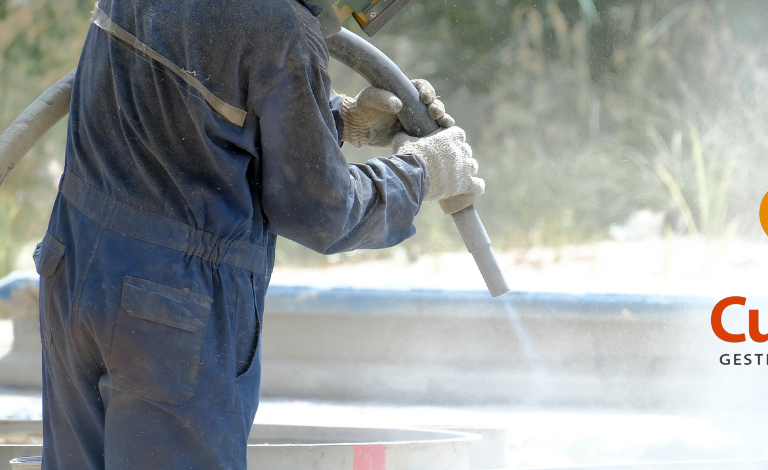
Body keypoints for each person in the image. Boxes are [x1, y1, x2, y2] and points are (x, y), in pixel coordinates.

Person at [32, 0, 484, 468]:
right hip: (170, 312)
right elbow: (319, 212)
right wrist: (421, 173)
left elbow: (186, 107)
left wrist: (333, 121)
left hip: (74, 271)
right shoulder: (280, 28)